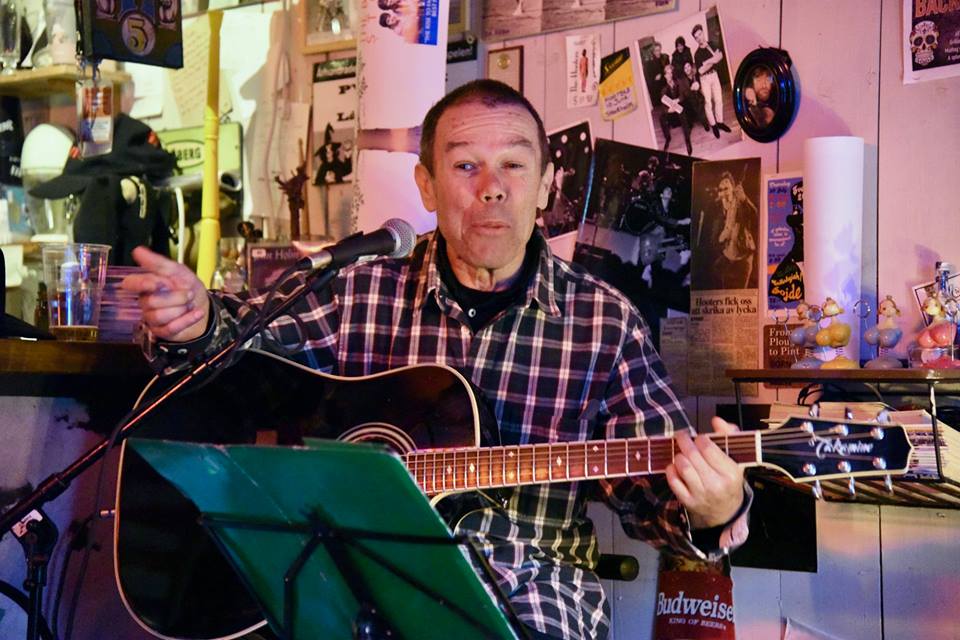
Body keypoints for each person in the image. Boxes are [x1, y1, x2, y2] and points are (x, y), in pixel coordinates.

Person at [123, 80, 749, 640]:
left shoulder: (605, 322)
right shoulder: (360, 289)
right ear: (426, 184)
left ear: (544, 185)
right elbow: (236, 352)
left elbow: (654, 495)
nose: (491, 187)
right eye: (465, 165)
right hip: (341, 576)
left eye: (513, 165)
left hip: (529, 594)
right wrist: (196, 324)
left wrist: (714, 507)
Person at [710, 170, 757, 289]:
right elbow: (714, 239)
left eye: (727, 187)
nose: (724, 192)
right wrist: (722, 238)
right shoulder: (717, 210)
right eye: (721, 189)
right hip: (727, 257)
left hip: (743, 257)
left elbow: (754, 215)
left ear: (733, 188)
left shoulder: (741, 202)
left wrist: (744, 200)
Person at [691, 23, 731, 139]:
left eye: (700, 34)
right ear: (695, 39)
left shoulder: (712, 44)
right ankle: (713, 125)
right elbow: (701, 70)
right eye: (696, 37)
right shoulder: (697, 54)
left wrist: (707, 62)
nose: (699, 38)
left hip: (714, 75)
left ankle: (720, 122)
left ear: (703, 33)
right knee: (708, 103)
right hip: (705, 79)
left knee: (718, 100)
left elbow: (720, 56)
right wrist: (713, 59)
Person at [658, 64, 693, 155]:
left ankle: (687, 140)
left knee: (682, 112)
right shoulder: (663, 88)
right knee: (661, 117)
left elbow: (683, 95)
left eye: (671, 73)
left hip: (680, 107)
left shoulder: (678, 82)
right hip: (671, 111)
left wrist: (677, 100)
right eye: (667, 73)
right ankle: (668, 138)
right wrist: (668, 110)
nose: (669, 75)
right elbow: (663, 104)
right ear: (665, 75)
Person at [682, 60, 710, 132]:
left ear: (691, 67)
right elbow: (684, 94)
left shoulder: (695, 75)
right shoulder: (683, 80)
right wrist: (691, 89)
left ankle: (704, 122)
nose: (687, 69)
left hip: (698, 96)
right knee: (694, 104)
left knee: (700, 103)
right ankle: (698, 120)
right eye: (685, 68)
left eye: (688, 66)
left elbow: (702, 84)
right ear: (684, 70)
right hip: (689, 99)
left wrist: (699, 86)